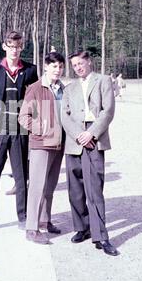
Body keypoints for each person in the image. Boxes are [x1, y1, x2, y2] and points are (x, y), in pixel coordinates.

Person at [0, 30, 38, 234]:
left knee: (21, 177)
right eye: (11, 46)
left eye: (18, 46)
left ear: (22, 47)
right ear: (4, 46)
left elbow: (35, 100)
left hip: (20, 131)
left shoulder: (30, 70)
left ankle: (23, 217)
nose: (14, 50)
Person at [61, 50, 119, 256]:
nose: (77, 67)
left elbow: (108, 111)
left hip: (94, 138)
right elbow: (64, 116)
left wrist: (91, 133)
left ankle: (101, 236)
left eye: (80, 63)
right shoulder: (69, 88)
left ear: (89, 62)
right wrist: (78, 134)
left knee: (94, 189)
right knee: (75, 189)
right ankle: (82, 228)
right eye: (74, 65)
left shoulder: (103, 81)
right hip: (74, 139)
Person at [19, 51, 65, 244]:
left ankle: (45, 221)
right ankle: (31, 228)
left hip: (59, 144)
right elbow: (23, 117)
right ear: (45, 66)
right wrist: (42, 128)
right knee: (37, 186)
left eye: (61, 67)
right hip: (41, 144)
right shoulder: (36, 88)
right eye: (54, 66)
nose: (58, 70)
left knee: (50, 186)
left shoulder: (63, 88)